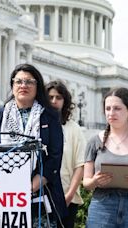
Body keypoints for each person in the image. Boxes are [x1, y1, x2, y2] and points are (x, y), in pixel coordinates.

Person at [0, 63, 66, 227]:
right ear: (12, 85)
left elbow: (55, 156)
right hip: (5, 194)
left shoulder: (50, 116)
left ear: (38, 86)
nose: (23, 86)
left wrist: (32, 186)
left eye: (29, 82)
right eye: (19, 81)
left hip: (41, 194)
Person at [83, 87, 128, 227]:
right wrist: (95, 181)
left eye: (117, 108)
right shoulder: (94, 142)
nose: (111, 113)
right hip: (102, 208)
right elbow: (86, 183)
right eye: (108, 108)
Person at [46, 81, 86, 228]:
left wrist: (69, 196)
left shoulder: (74, 129)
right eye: (50, 97)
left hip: (66, 197)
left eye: (58, 97)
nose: (54, 101)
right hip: (41, 197)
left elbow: (80, 165)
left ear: (65, 101)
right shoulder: (37, 126)